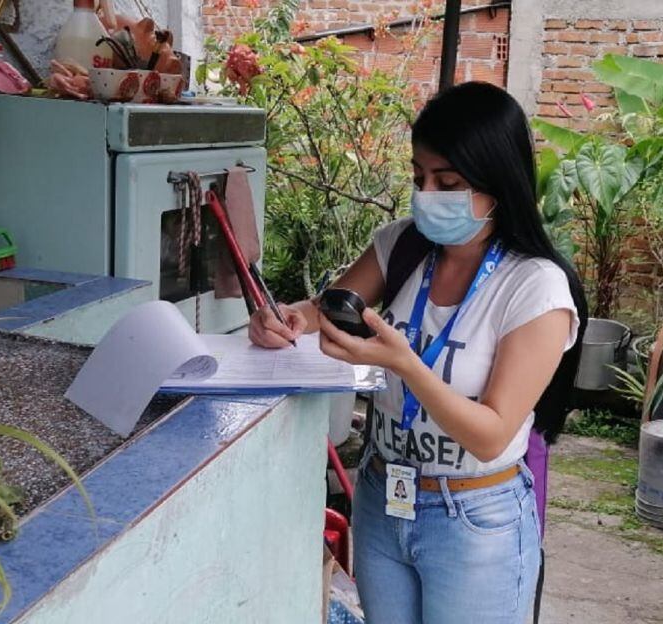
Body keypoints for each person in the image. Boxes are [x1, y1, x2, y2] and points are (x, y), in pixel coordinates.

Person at [247, 82, 588, 624]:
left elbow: (491, 433)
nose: (427, 194)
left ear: (498, 183)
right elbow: (327, 307)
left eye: (447, 183)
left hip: (474, 518)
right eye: (418, 177)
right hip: (383, 498)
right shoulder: (403, 246)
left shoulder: (535, 288)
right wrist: (288, 318)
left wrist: (405, 363)